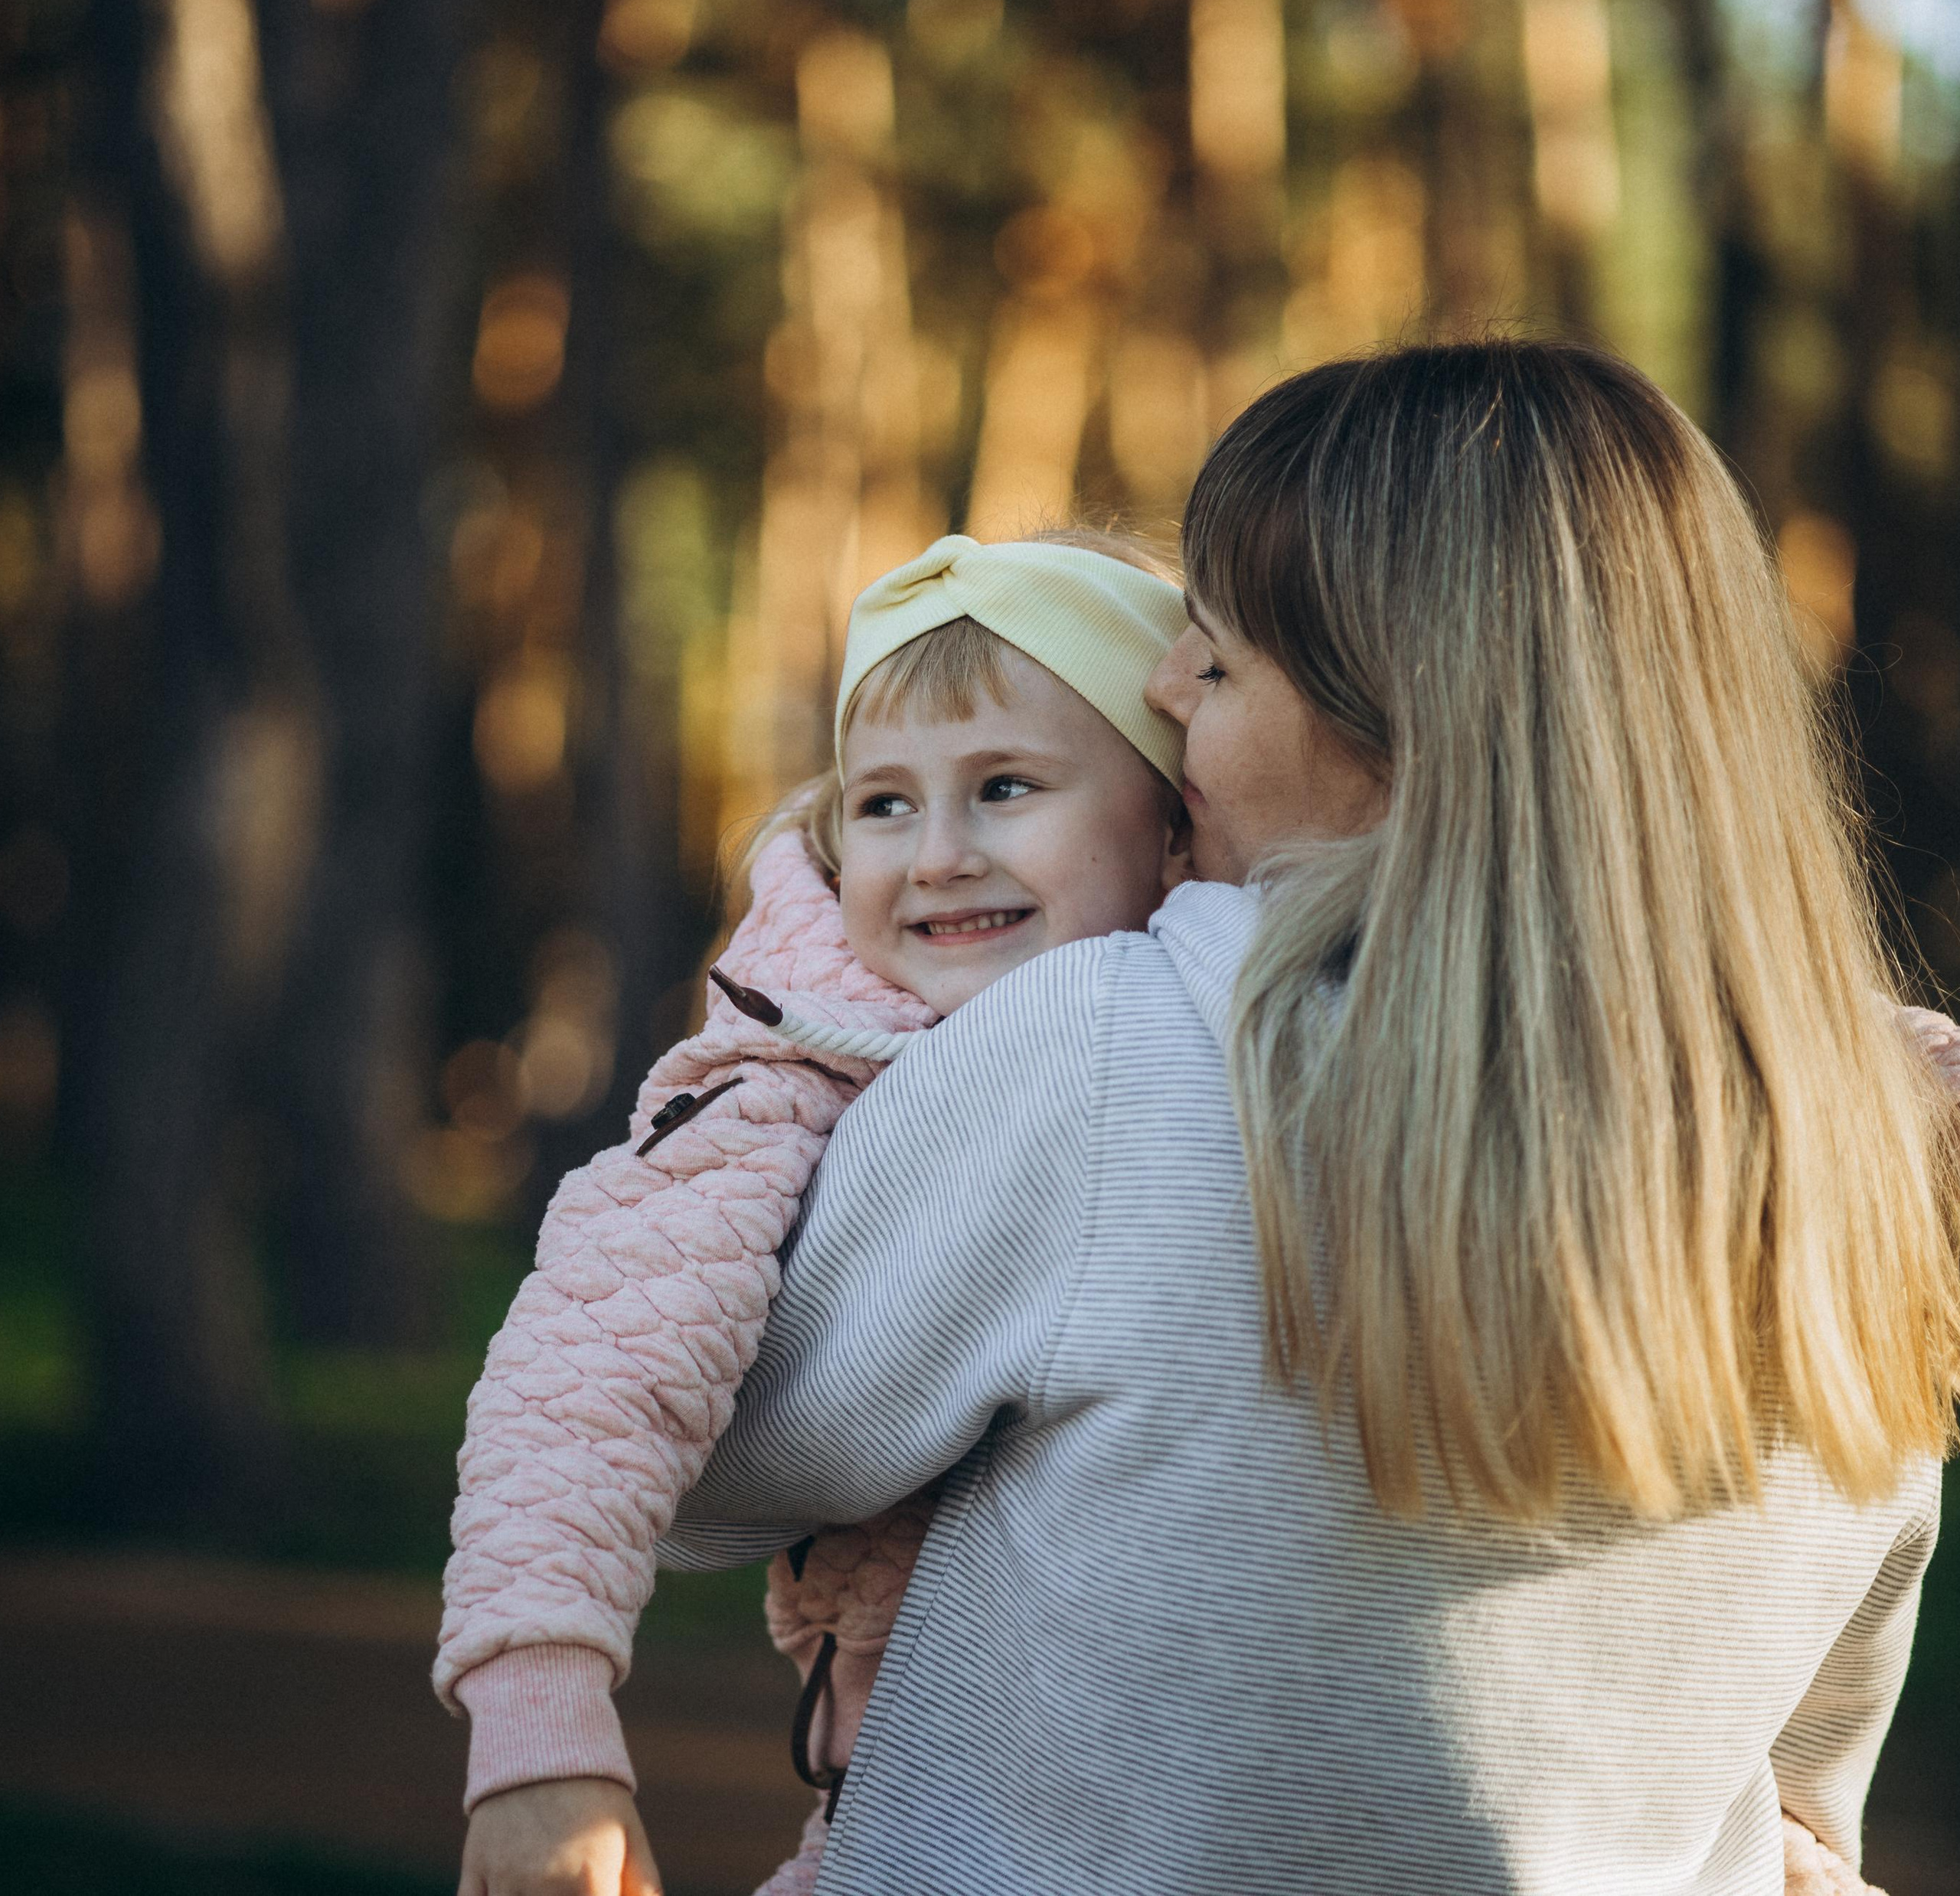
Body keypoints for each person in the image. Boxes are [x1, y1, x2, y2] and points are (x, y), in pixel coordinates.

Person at [625, 341, 1958, 1894]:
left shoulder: (1117, 1049)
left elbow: (714, 1458)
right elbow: (1811, 1749)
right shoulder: (1878, 1126)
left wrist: (792, 1046)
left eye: (1217, 657)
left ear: (1396, 717)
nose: (1161, 686)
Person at [439, 529, 1191, 1896]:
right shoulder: (789, 1076)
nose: (940, 855)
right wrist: (541, 1724)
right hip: (912, 1792)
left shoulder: (1215, 1034)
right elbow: (589, 1364)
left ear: (1172, 821)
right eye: (885, 805)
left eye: (1006, 787)